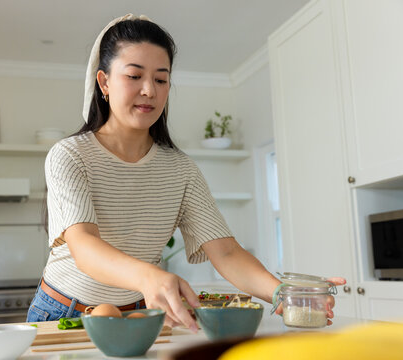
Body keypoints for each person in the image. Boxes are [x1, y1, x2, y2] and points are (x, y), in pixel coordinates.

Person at [26, 14, 345, 331]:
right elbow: (84, 247)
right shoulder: (70, 155)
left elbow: (228, 252)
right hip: (61, 312)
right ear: (104, 82)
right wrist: (150, 276)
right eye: (134, 76)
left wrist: (282, 293)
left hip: (139, 313)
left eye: (161, 79)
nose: (149, 90)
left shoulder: (181, 170)